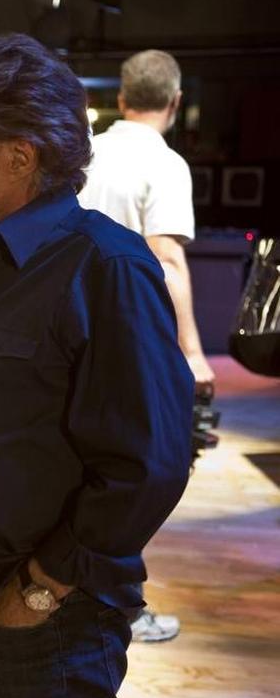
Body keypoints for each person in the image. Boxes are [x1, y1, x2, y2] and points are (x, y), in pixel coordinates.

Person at [0, 34, 193, 698]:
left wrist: (39, 587)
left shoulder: (106, 268)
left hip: (41, 621)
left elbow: (150, 464)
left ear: (21, 154)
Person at [79, 49, 207, 643]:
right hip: (131, 336)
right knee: (139, 472)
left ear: (123, 97)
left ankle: (85, 593)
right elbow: (168, 256)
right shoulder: (165, 162)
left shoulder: (86, 150)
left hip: (71, 328)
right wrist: (191, 350)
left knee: (84, 467)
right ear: (175, 103)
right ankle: (121, 606)